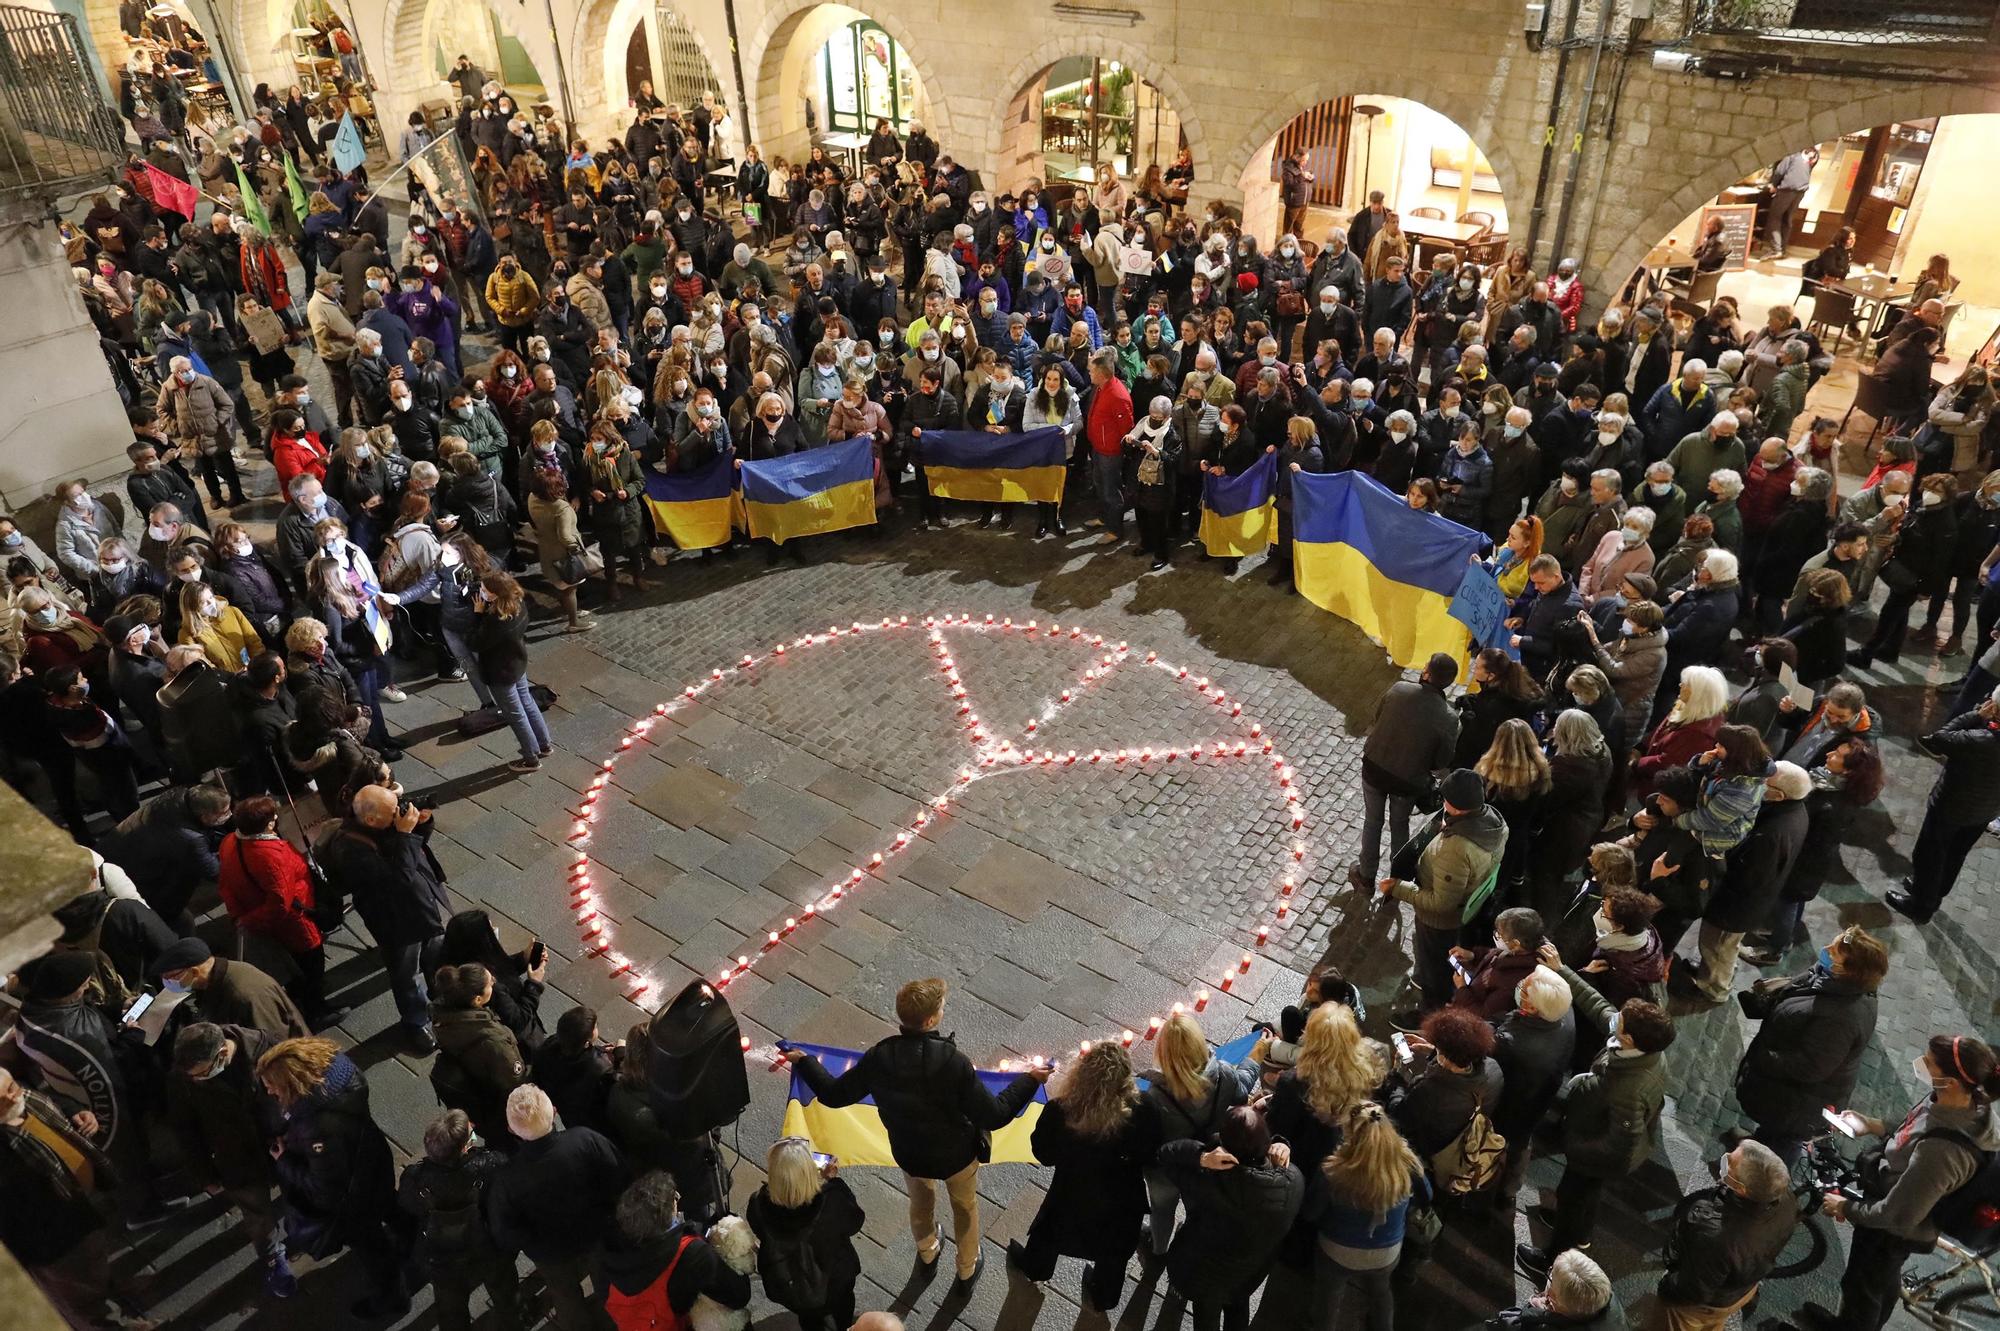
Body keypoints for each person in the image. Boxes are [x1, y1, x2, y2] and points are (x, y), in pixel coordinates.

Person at [783, 978, 1048, 1294]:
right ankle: (966, 1267)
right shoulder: (953, 1063)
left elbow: (834, 1094)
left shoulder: (880, 1058)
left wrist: (807, 1063)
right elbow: (994, 1114)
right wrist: (1030, 1081)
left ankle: (927, 1249)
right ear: (932, 1020)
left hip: (910, 1154)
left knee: (921, 1202)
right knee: (965, 1207)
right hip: (958, 1157)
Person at [1805, 1034, 2000, 1331]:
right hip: (1896, 1208)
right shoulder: (1964, 1101)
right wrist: (1874, 1125)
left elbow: (1897, 1215)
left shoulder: (1943, 1153)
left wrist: (1846, 1206)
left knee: (1863, 1290)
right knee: (1880, 1286)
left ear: (1951, 1082)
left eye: (1929, 1063)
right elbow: (1920, 1127)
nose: (1920, 1064)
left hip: (1894, 1230)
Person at [1516, 957, 1674, 1280]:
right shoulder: (1642, 1050)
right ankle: (1579, 1234)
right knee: (1581, 1196)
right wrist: (1562, 970)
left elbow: (1619, 1146)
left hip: (1594, 1152)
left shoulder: (1628, 1087)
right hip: (1591, 1137)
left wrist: (1576, 1149)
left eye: (1622, 1023)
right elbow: (1598, 1007)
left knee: (1576, 1196)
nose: (1615, 1021)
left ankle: (1554, 1259)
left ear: (1629, 1039)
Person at [257, 1036, 409, 1319]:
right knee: (390, 1206)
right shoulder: (338, 1071)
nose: (268, 1092)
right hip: (373, 1162)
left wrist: (285, 1161)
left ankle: (393, 1300)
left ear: (293, 1082)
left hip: (355, 1199)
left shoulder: (317, 1126)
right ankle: (410, 1236)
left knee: (374, 1251)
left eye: (272, 1086)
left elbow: (326, 1188)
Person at [0, 1064, 158, 1331]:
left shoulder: (25, 1098)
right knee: (83, 1301)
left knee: (97, 1267)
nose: (15, 1097)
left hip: (81, 1203)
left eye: (12, 1088)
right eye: (3, 1099)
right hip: (56, 1241)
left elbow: (49, 1097)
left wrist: (75, 1111)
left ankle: (115, 1292)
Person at [1008, 1041, 1159, 1312]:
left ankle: (1036, 1269)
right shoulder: (1143, 1109)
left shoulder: (1060, 1110)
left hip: (1071, 1193)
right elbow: (1150, 1154)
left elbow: (1044, 1154)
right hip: (1122, 1201)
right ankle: (1103, 1296)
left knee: (1048, 1234)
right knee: (1114, 1253)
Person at [1729, 925, 1887, 1168]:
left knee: (1783, 1143)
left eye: (1834, 952)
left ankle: (1758, 1180)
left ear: (1848, 971)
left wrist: (1765, 1057)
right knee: (1774, 1132)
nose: (1825, 950)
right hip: (1789, 1097)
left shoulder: (1840, 1018)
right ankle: (1757, 1145)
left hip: (1798, 1105)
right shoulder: (1838, 983)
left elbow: (1810, 1067)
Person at [166, 1023, 294, 1297]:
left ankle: (301, 1225)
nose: (199, 1079)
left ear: (223, 1052)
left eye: (202, 1074)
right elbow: (185, 1130)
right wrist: (205, 1176)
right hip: (235, 1157)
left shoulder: (265, 1050)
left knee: (296, 1188)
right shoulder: (182, 1079)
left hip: (281, 1142)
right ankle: (272, 1255)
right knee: (256, 1212)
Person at [487, 1084, 628, 1330]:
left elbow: (506, 1232)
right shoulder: (585, 1139)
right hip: (596, 1233)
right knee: (607, 1281)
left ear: (512, 1130)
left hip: (550, 1253)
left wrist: (534, 1243)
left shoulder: (507, 1179)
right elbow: (619, 1175)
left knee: (564, 1296)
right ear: (553, 1111)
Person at [1155, 1105, 1304, 1331]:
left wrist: (1202, 1157)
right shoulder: (1294, 1179)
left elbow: (1166, 1155)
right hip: (1250, 1269)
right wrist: (1282, 1142)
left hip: (1207, 1273)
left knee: (1207, 1314)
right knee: (1237, 1304)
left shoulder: (1213, 1184)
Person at [323, 784, 449, 1051]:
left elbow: (417, 849)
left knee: (436, 956)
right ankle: (416, 1021)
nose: (400, 814)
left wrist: (422, 825)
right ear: (371, 819)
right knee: (406, 974)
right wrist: (405, 835)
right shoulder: (351, 850)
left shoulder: (382, 824)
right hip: (397, 923)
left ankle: (443, 1002)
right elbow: (397, 881)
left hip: (423, 908)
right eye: (394, 812)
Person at [1379, 768, 1508, 1011]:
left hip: (1438, 921)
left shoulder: (1457, 849)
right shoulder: (1494, 822)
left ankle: (1430, 1010)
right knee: (1434, 958)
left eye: (1445, 798)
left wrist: (1398, 888)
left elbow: (1441, 903)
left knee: (1434, 965)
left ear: (1457, 807)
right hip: (1465, 907)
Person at [1303, 1100, 1428, 1331]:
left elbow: (1311, 1212)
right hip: (1387, 1250)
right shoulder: (1408, 1163)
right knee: (1381, 1293)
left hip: (1337, 1250)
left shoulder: (1333, 1171)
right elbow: (1425, 1195)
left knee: (1328, 1296)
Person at [398, 1109, 521, 1331]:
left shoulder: (416, 1178)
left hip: (443, 1257)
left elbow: (408, 1205)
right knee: (505, 1293)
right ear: (465, 1147)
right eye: (470, 1131)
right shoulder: (491, 1164)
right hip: (488, 1249)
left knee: (450, 1309)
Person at [216, 795, 333, 1025]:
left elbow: (225, 885)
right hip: (297, 923)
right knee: (311, 967)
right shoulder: (271, 855)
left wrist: (240, 916)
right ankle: (316, 1011)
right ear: (268, 824)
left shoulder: (229, 842)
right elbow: (281, 902)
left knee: (291, 967)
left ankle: (299, 999)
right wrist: (250, 920)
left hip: (262, 917)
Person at [1351, 653, 1459, 892]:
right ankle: (1397, 881)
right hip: (1408, 782)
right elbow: (1441, 760)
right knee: (1399, 825)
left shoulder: (1400, 689)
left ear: (1427, 673)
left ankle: (1366, 875)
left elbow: (1378, 717)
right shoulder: (1450, 719)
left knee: (1373, 821)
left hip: (1375, 768)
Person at [1892, 684, 2000, 923]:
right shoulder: (1984, 737)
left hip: (1952, 806)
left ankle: (1920, 905)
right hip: (1986, 810)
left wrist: (1975, 715)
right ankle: (1932, 892)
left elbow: (1940, 739)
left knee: (1930, 854)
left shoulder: (1980, 739)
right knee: (1955, 854)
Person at [1141, 1011, 1247, 1255]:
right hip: (1205, 1162)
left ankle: (1158, 1250)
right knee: (1196, 1208)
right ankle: (1188, 1240)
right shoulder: (1224, 1074)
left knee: (1162, 1211)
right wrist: (1252, 1062)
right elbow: (1241, 1093)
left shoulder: (1152, 1096)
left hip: (1165, 1171)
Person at [600, 1170, 752, 1331]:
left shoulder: (612, 1244)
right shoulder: (693, 1254)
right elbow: (739, 1296)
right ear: (668, 1214)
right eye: (675, 1198)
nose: (678, 1199)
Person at [745, 1137, 866, 1331]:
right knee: (842, 1311)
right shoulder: (831, 1199)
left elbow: (759, 1229)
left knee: (809, 1319)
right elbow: (855, 1222)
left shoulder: (758, 1204)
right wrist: (832, 1181)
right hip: (833, 1282)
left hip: (791, 1286)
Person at [151, 935, 309, 1040]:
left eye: (171, 977)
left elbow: (271, 1043)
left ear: (194, 972)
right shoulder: (213, 979)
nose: (167, 983)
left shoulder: (243, 995)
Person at [470, 570, 551, 772]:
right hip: (517, 664)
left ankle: (530, 757)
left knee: (515, 714)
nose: (481, 592)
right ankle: (544, 744)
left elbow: (476, 642)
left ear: (496, 594)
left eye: (485, 590)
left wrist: (478, 615)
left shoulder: (496, 620)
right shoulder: (519, 603)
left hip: (500, 673)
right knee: (527, 702)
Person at [1494, 1248, 1623, 1329]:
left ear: (1553, 1298)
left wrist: (1535, 1311)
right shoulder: (1612, 1310)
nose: (1549, 1271)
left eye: (1551, 1273)